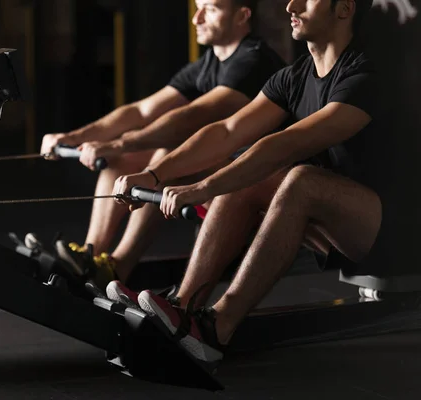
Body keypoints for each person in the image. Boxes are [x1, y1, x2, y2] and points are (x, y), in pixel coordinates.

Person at [112, 0, 385, 363]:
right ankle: (183, 307)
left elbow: (287, 143)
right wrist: (156, 174)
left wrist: (203, 187)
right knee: (252, 170)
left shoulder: (366, 73)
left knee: (298, 177)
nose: (292, 4)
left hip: (392, 233)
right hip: (340, 226)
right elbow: (228, 130)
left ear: (344, 9)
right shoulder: (296, 76)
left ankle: (219, 326)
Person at [39, 0, 286, 294]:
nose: (197, 18)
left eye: (211, 9)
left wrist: (116, 142)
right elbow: (142, 111)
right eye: (197, 7)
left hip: (255, 180)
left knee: (163, 157)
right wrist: (75, 137)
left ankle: (117, 266)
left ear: (242, 15)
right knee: (123, 158)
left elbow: (194, 115)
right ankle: (91, 257)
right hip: (223, 166)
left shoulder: (253, 61)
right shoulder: (208, 64)